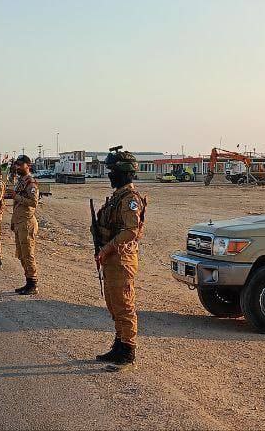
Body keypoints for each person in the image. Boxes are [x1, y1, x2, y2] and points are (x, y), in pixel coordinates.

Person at [93, 147, 147, 366]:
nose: (109, 175)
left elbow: (131, 230)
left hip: (121, 258)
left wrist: (107, 249)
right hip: (112, 258)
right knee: (113, 303)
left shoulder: (130, 199)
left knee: (124, 304)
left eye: (112, 170)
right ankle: (119, 342)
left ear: (124, 172)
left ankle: (128, 349)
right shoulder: (117, 197)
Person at [11, 155, 40, 295]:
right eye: (17, 164)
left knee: (28, 254)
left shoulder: (31, 183)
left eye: (20, 165)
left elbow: (34, 202)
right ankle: (28, 281)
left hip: (27, 222)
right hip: (19, 222)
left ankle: (33, 284)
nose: (17, 167)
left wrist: (17, 197)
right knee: (22, 255)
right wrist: (13, 221)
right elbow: (16, 204)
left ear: (28, 165)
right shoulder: (20, 181)